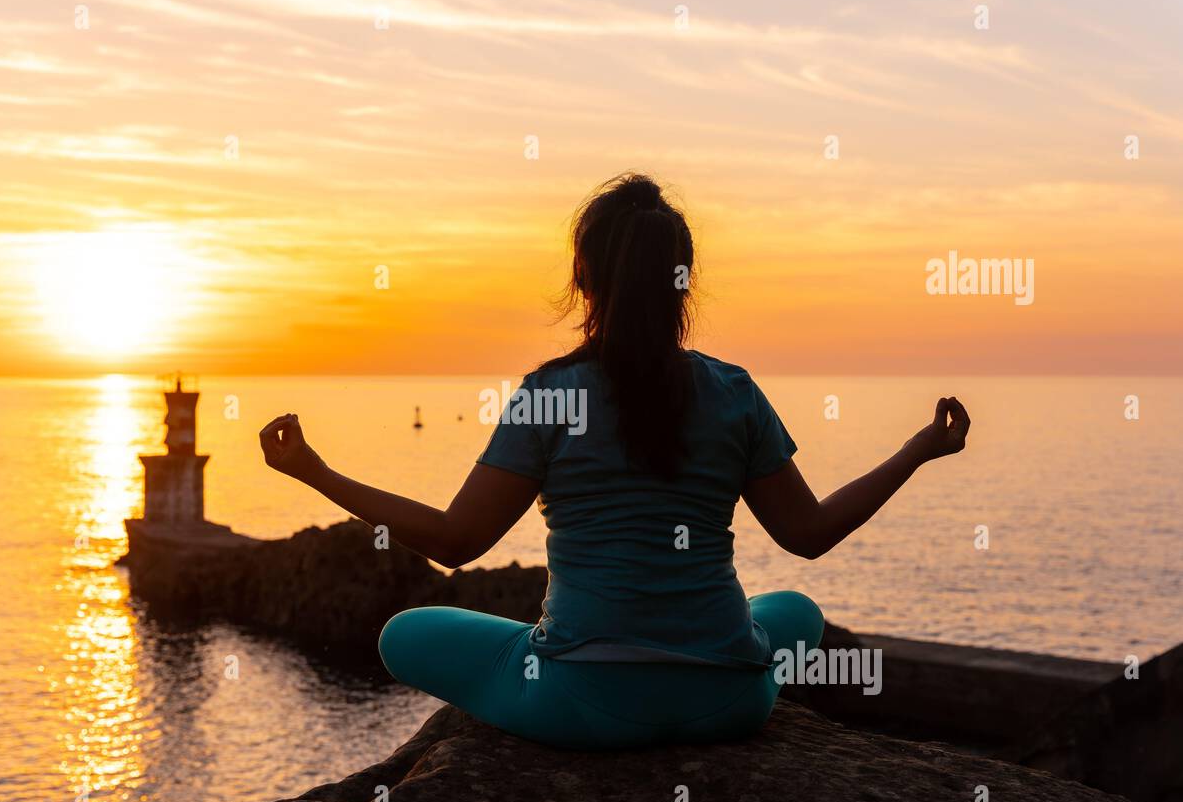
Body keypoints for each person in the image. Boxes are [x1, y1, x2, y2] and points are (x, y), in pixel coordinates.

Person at [259, 172, 970, 751]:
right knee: (796, 613)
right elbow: (807, 535)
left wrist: (314, 472)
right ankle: (701, 661)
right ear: (683, 283)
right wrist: (915, 451)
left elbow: (455, 543)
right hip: (731, 701)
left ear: (584, 279)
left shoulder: (551, 395)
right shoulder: (734, 392)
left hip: (584, 705)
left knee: (402, 633)